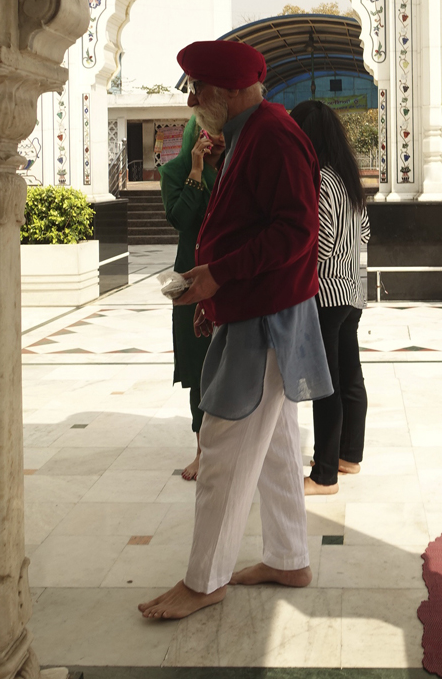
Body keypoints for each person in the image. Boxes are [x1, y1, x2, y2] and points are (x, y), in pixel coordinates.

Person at [140, 40, 333, 621]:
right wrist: (214, 291)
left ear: (226, 91)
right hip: (253, 309)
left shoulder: (271, 134)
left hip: (265, 320)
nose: (194, 100)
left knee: (222, 447)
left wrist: (220, 275)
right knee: (274, 448)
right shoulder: (250, 132)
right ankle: (288, 556)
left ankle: (205, 581)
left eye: (198, 89)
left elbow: (295, 232)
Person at [289, 100, 371, 496]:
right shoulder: (348, 179)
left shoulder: (322, 180)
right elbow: (366, 235)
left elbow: (317, 244)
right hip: (353, 291)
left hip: (326, 295)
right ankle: (348, 455)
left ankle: (324, 475)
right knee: (349, 377)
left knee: (327, 385)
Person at [159, 116, 224, 480]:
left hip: (227, 273)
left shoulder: (235, 166)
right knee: (198, 366)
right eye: (205, 132)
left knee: (233, 360)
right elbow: (181, 220)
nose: (213, 138)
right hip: (188, 275)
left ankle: (232, 445)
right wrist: (197, 171)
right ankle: (202, 450)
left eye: (218, 131)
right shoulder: (174, 172)